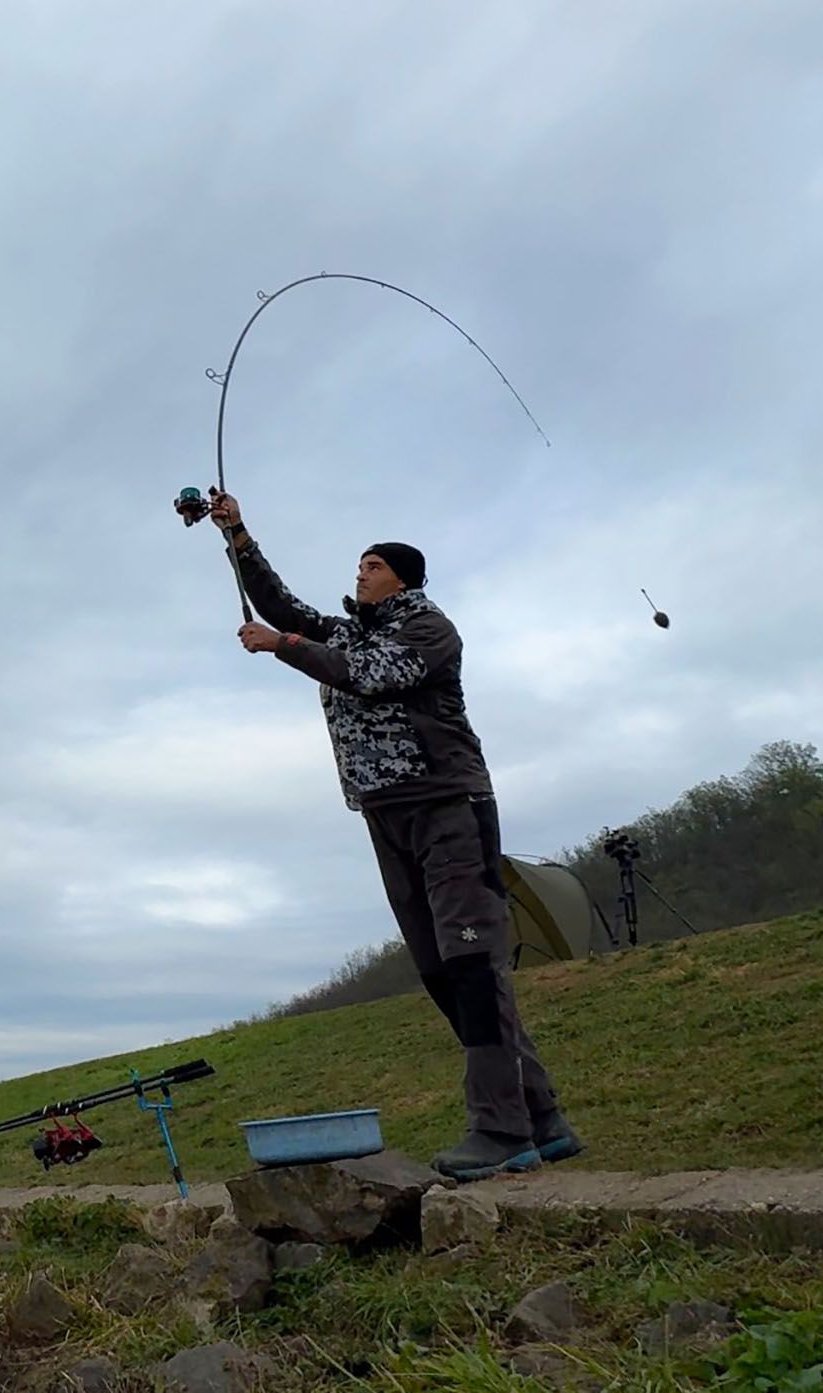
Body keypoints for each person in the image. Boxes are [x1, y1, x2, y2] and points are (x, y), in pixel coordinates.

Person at [207, 487, 584, 1181]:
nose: (361, 573)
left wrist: (281, 646)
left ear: (403, 577)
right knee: (445, 975)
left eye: (372, 565)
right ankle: (542, 1116)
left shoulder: (428, 629)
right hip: (384, 814)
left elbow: (366, 677)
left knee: (473, 967)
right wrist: (237, 535)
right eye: (359, 564)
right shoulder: (352, 628)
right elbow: (284, 607)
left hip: (449, 807)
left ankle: (501, 1130)